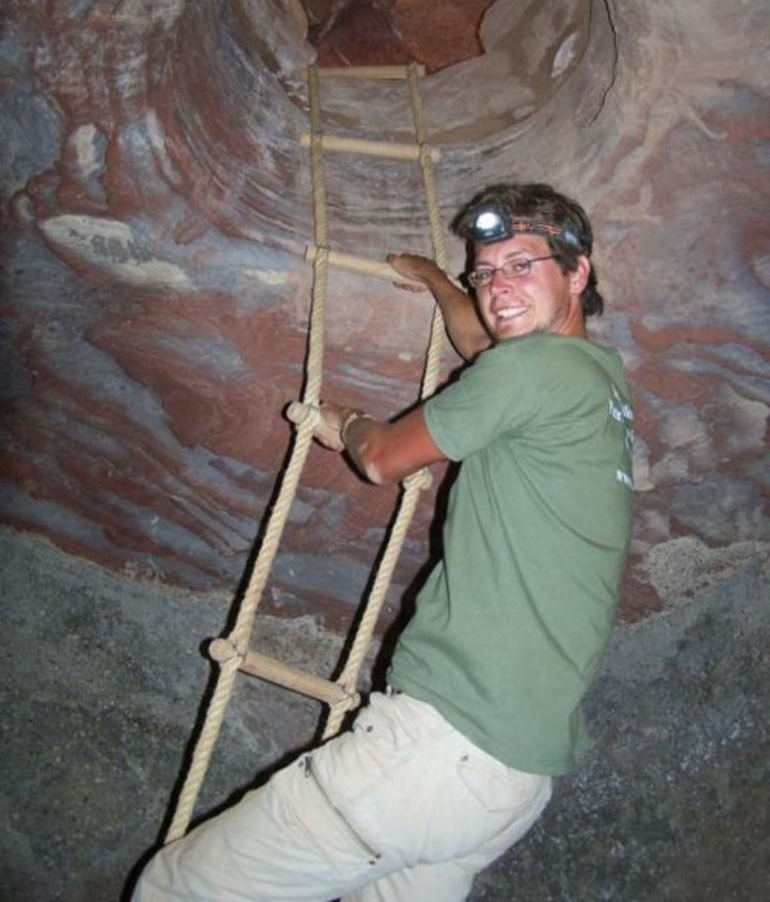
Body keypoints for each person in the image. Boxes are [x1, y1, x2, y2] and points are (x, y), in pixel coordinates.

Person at [134, 182, 634, 902]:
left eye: (521, 265)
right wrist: (437, 280)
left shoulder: (529, 371)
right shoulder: (596, 380)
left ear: (578, 272)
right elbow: (482, 342)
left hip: (433, 752)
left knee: (177, 890)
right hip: (508, 781)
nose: (499, 288)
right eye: (485, 274)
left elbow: (382, 460)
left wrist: (347, 421)